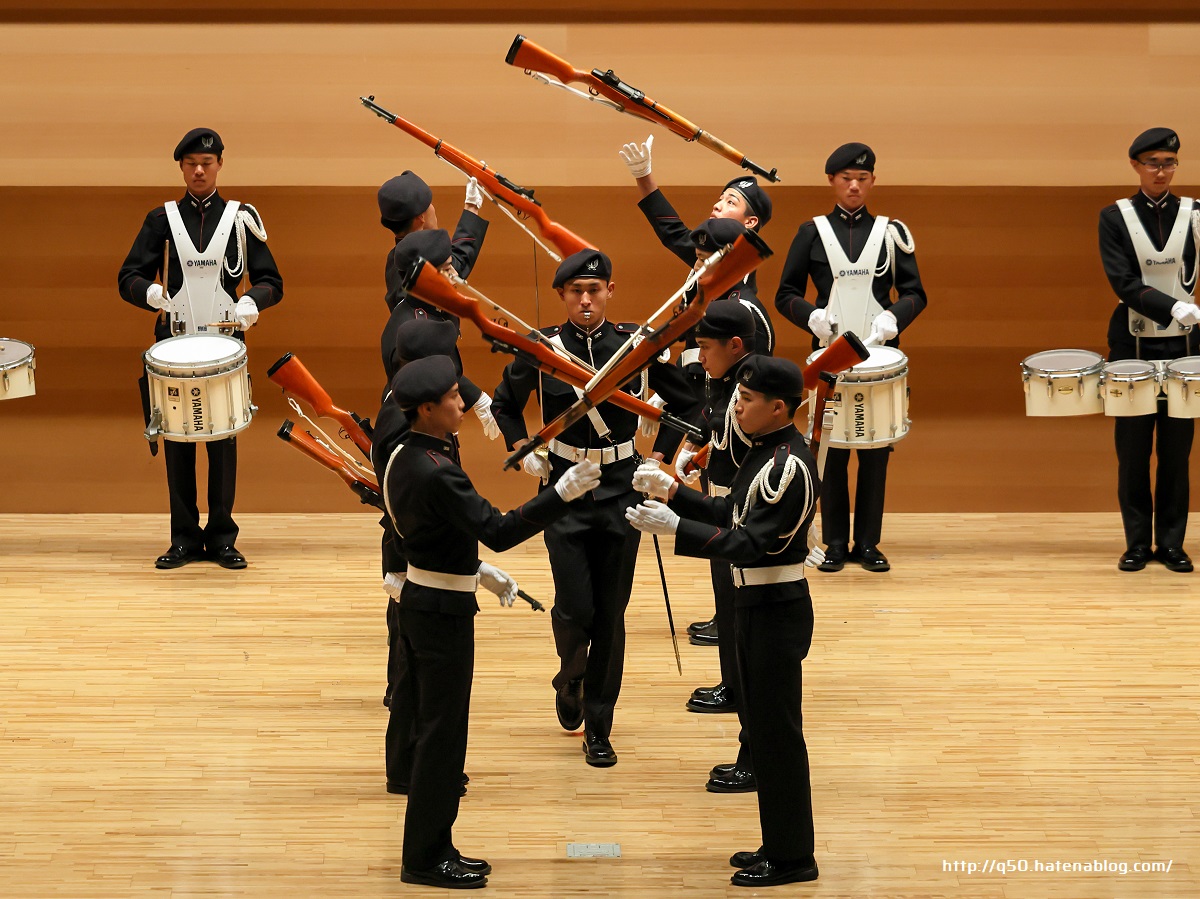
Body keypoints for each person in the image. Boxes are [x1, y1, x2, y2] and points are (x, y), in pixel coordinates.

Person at [381, 354, 600, 889]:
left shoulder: (403, 453)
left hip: (424, 599)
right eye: (453, 398)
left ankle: (434, 847)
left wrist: (473, 569)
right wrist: (561, 494)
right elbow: (497, 529)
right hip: (442, 614)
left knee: (438, 732)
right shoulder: (438, 470)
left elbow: (424, 533)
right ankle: (426, 858)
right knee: (443, 737)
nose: (463, 404)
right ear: (426, 409)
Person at [489, 249, 700, 766]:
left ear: (610, 291)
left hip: (622, 487)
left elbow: (690, 404)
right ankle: (571, 676)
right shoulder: (544, 348)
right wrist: (525, 450)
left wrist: (661, 459)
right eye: (576, 291)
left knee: (610, 613)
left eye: (595, 290)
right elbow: (504, 404)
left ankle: (600, 726)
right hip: (563, 490)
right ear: (562, 296)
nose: (586, 300)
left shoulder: (634, 346)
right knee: (574, 606)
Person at [627, 355, 821, 888]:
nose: (735, 408)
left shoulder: (787, 466)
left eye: (746, 400)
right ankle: (779, 843)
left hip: (774, 606)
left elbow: (750, 543)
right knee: (762, 733)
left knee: (777, 738)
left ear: (777, 407)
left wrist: (676, 528)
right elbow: (732, 511)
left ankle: (793, 858)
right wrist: (674, 492)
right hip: (755, 604)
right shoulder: (764, 452)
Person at [621, 134, 776, 645]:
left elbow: (734, 389)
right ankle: (726, 618)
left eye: (730, 202)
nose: (717, 205)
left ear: (748, 227)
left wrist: (693, 438)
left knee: (730, 526)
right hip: (709, 424)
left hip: (731, 437)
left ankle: (735, 626)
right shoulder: (711, 281)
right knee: (719, 527)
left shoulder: (738, 304)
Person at [118, 127, 283, 570]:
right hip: (174, 345)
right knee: (177, 441)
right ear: (181, 168)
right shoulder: (162, 219)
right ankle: (184, 539)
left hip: (225, 345)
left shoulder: (241, 219)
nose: (198, 171)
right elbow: (128, 276)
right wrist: (150, 293)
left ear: (220, 165)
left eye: (206, 163)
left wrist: (252, 301)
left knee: (222, 440)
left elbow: (272, 281)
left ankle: (223, 538)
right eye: (191, 164)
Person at [774, 142, 927, 572]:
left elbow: (915, 293)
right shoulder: (812, 232)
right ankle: (836, 543)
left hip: (881, 356)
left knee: (876, 449)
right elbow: (785, 294)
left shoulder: (892, 234)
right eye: (846, 178)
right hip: (831, 354)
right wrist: (812, 317)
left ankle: (869, 544)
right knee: (833, 449)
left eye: (862, 178)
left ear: (873, 181)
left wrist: (894, 318)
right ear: (832, 181)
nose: (854, 186)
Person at [1099, 127, 1200, 572]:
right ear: (1135, 166)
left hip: (1185, 346)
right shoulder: (1114, 217)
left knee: (1177, 451)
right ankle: (1138, 543)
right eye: (1153, 163)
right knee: (1133, 450)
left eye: (1169, 163)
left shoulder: (1195, 214)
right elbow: (1123, 282)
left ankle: (1172, 543)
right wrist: (1173, 306)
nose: (1161, 172)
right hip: (1132, 345)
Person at [673, 301, 762, 794]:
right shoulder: (730, 383)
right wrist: (697, 456)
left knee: (747, 642)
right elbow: (721, 440)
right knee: (729, 618)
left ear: (735, 345)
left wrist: (678, 501)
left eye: (706, 348)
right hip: (723, 507)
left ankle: (755, 755)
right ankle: (743, 720)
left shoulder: (748, 392)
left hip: (739, 519)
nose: (700, 357)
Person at [378, 169, 488, 313]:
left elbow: (456, 261)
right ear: (421, 217)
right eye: (430, 204)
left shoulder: (405, 258)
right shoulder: (414, 275)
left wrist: (472, 205)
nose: (453, 274)